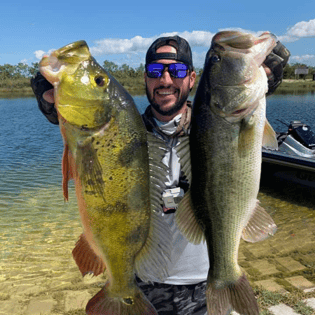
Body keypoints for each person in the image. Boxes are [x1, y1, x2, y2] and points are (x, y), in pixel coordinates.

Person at [31, 34, 290, 315]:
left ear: (192, 79)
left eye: (177, 71)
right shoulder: (122, 131)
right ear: (145, 78)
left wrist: (265, 77)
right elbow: (85, 127)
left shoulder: (213, 127)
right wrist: (53, 101)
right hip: (143, 282)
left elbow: (235, 111)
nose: (165, 80)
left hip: (203, 285)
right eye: (156, 71)